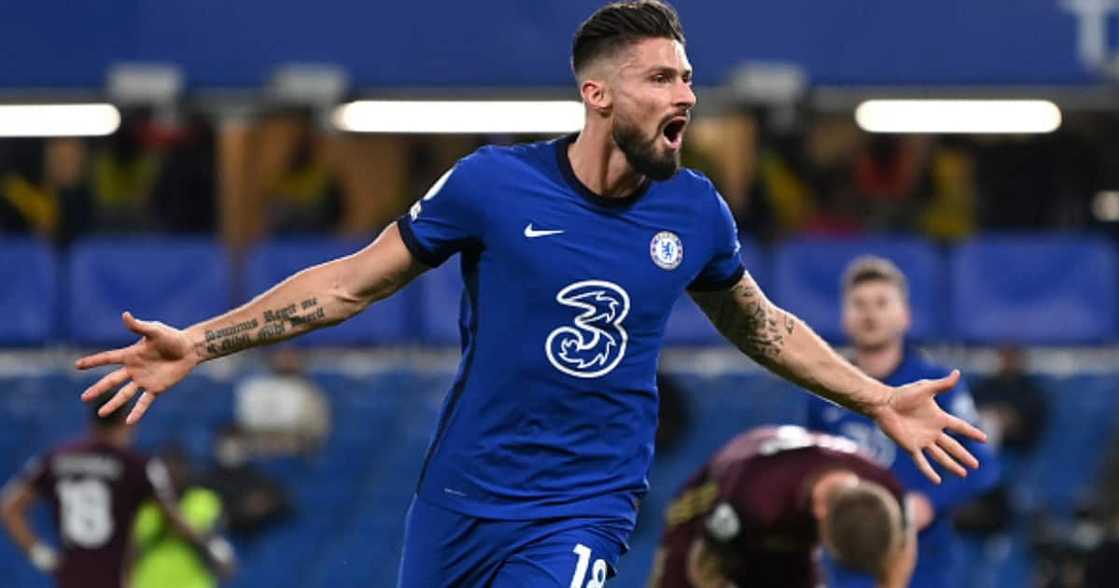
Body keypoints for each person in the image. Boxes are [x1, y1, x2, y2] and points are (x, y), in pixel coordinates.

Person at [75, 2, 986, 586]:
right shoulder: (492, 187)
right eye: (662, 78)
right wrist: (202, 341)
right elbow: (349, 285)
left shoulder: (696, 211)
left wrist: (876, 397)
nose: (687, 95)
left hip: (585, 504)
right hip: (460, 497)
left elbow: (763, 325)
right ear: (598, 94)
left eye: (689, 78)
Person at [806, 256, 999, 588]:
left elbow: (983, 466)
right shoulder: (824, 390)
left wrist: (927, 503)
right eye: (859, 304)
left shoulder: (935, 386)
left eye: (882, 303)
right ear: (845, 317)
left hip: (926, 565)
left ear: (905, 316)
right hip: (849, 566)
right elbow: (813, 470)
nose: (870, 313)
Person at [0, 397, 233, 588]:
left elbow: (9, 507)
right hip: (112, 577)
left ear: (92, 423)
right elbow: (172, 517)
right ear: (127, 423)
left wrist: (41, 554)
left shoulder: (56, 459)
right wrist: (209, 545)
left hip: (70, 576)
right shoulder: (136, 466)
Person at [648, 425, 914, 588]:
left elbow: (902, 545)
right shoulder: (755, 497)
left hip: (786, 523)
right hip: (712, 504)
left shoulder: (885, 485)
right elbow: (705, 568)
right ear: (820, 513)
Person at [131, 446, 234, 588]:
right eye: (166, 469)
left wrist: (166, 507)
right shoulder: (147, 508)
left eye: (176, 467)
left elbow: (193, 531)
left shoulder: (203, 499)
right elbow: (135, 543)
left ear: (186, 469)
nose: (171, 474)